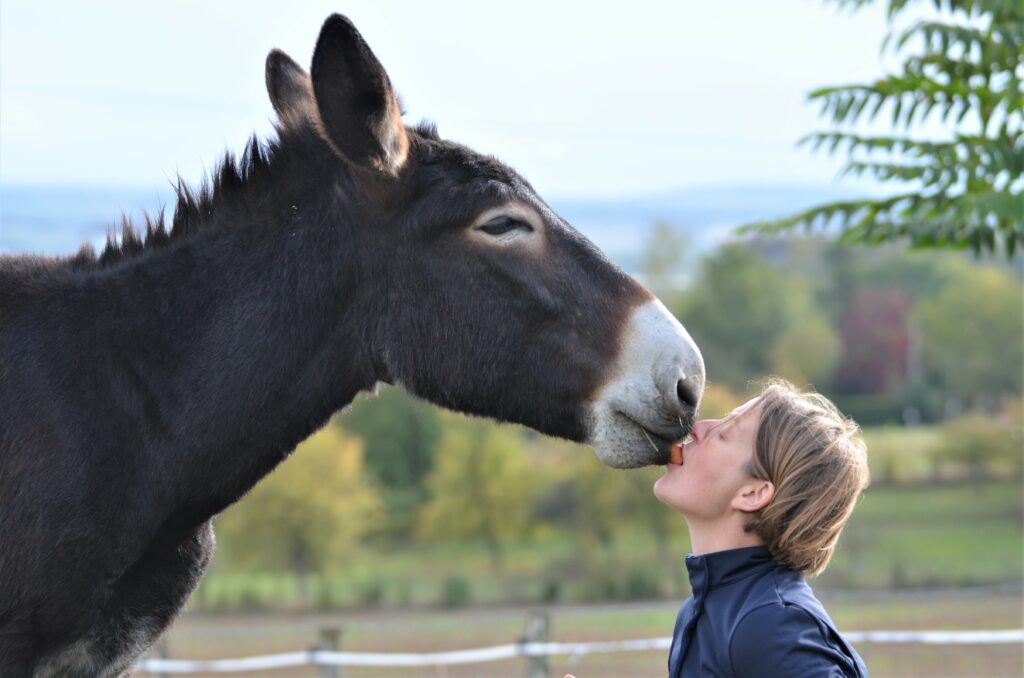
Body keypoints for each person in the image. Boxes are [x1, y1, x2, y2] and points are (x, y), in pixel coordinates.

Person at [653, 377, 870, 677]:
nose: (697, 428)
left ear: (753, 493)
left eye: (724, 434)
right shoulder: (702, 612)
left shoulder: (770, 625)